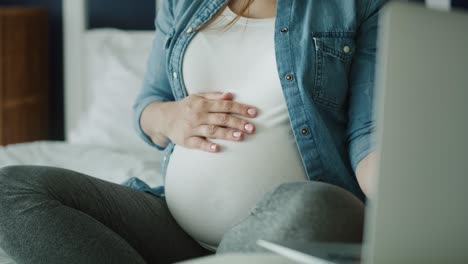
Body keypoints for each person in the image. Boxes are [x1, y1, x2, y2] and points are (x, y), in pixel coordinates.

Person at [0, 0, 385, 263]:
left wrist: (402, 194)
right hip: (173, 225)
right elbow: (149, 105)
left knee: (316, 210)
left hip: (292, 221)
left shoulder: (357, 5)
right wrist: (171, 118)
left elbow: (367, 133)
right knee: (11, 190)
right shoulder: (182, 3)